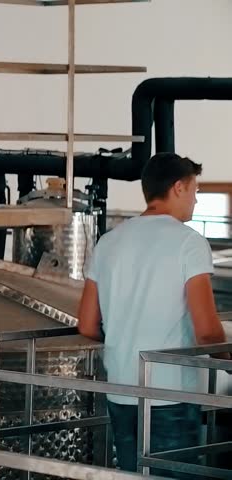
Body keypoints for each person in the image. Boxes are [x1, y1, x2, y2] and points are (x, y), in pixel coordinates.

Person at [77, 152, 230, 477]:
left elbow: (87, 324)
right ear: (178, 187)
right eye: (195, 191)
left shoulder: (109, 242)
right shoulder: (189, 242)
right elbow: (207, 331)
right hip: (170, 394)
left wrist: (127, 339)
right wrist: (227, 361)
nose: (196, 200)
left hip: (121, 390)